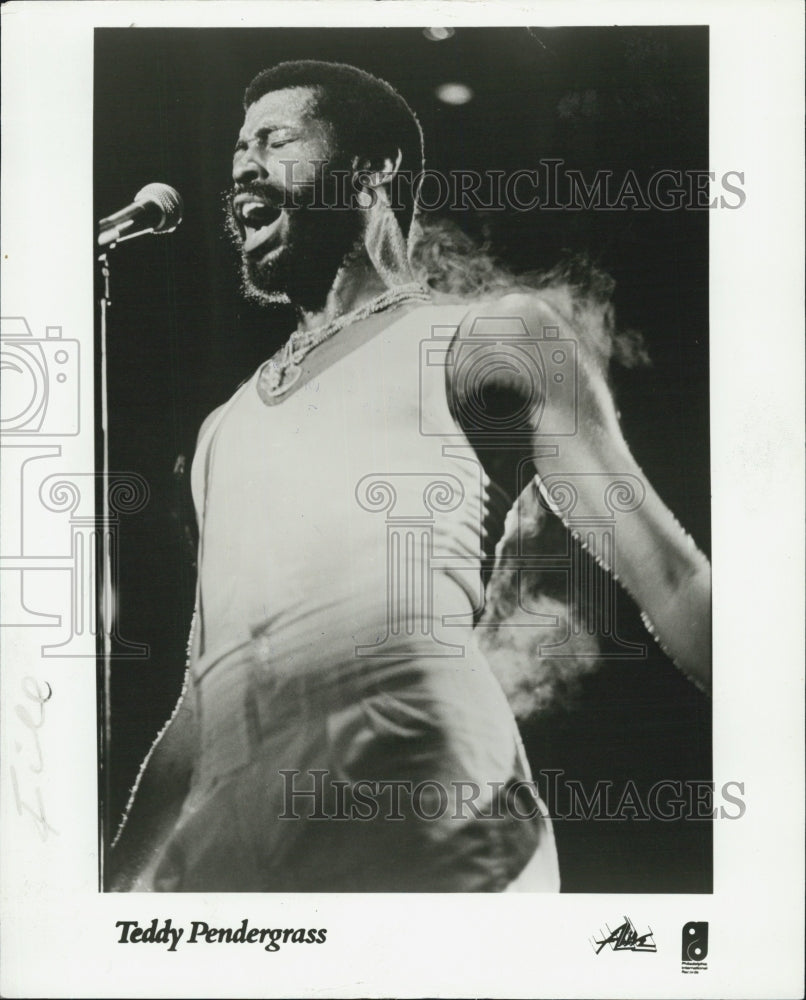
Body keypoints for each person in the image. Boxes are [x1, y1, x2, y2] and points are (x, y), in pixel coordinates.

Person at [108, 60, 710, 892]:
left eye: (274, 140)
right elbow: (199, 703)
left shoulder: (489, 336)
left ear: (373, 168)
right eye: (238, 148)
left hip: (428, 828)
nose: (243, 166)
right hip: (240, 866)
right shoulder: (222, 429)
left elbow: (672, 579)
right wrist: (112, 894)